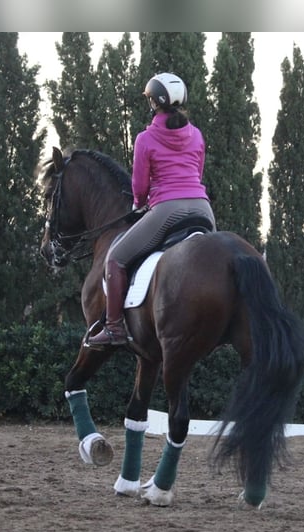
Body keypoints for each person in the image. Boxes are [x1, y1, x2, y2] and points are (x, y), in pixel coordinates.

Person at [87, 72, 216, 347]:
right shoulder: (197, 135)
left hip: (166, 210)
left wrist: (137, 205)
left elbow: (140, 186)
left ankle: (114, 329)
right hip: (203, 209)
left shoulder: (145, 138)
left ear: (154, 104)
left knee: (116, 258)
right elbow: (198, 171)